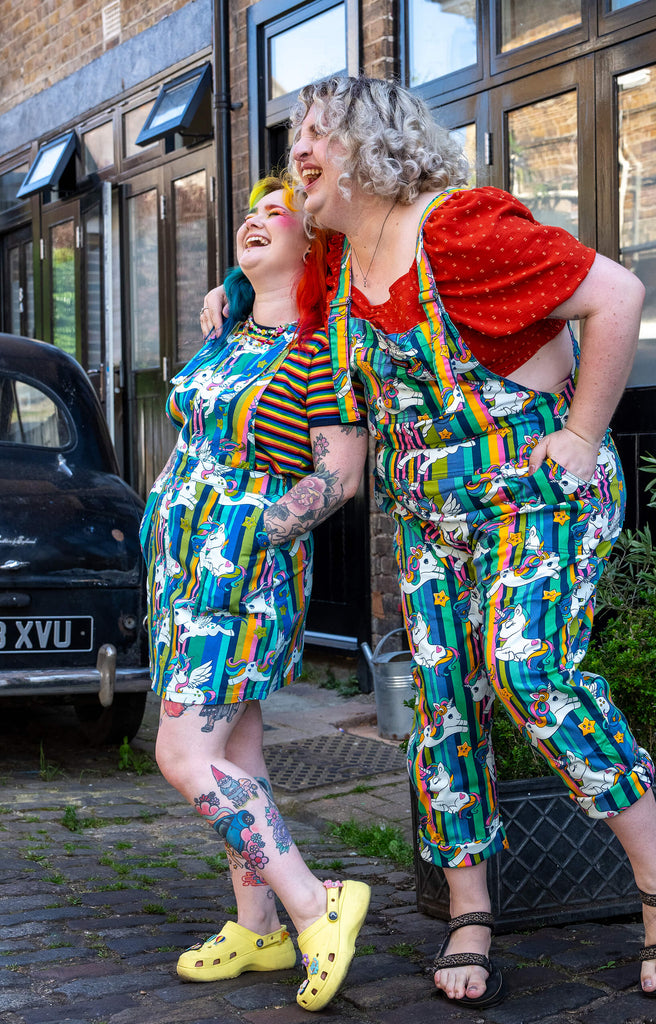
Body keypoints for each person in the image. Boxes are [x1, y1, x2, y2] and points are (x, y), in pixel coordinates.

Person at [202, 77, 656, 1007]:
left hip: (537, 489)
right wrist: (231, 292)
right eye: (294, 138)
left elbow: (619, 294)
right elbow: (270, 256)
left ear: (373, 146)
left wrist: (585, 434)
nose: (298, 153)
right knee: (438, 703)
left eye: (318, 134)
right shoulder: (334, 267)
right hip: (432, 516)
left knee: (527, 675)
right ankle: (469, 910)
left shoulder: (461, 229)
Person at [143, 172, 370, 1012]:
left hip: (242, 579)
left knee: (182, 754)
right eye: (248, 215)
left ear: (314, 242)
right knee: (235, 755)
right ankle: (259, 927)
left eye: (279, 213)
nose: (255, 222)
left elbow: (339, 480)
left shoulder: (326, 347)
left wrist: (246, 536)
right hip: (179, 573)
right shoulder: (224, 331)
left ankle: (317, 906)